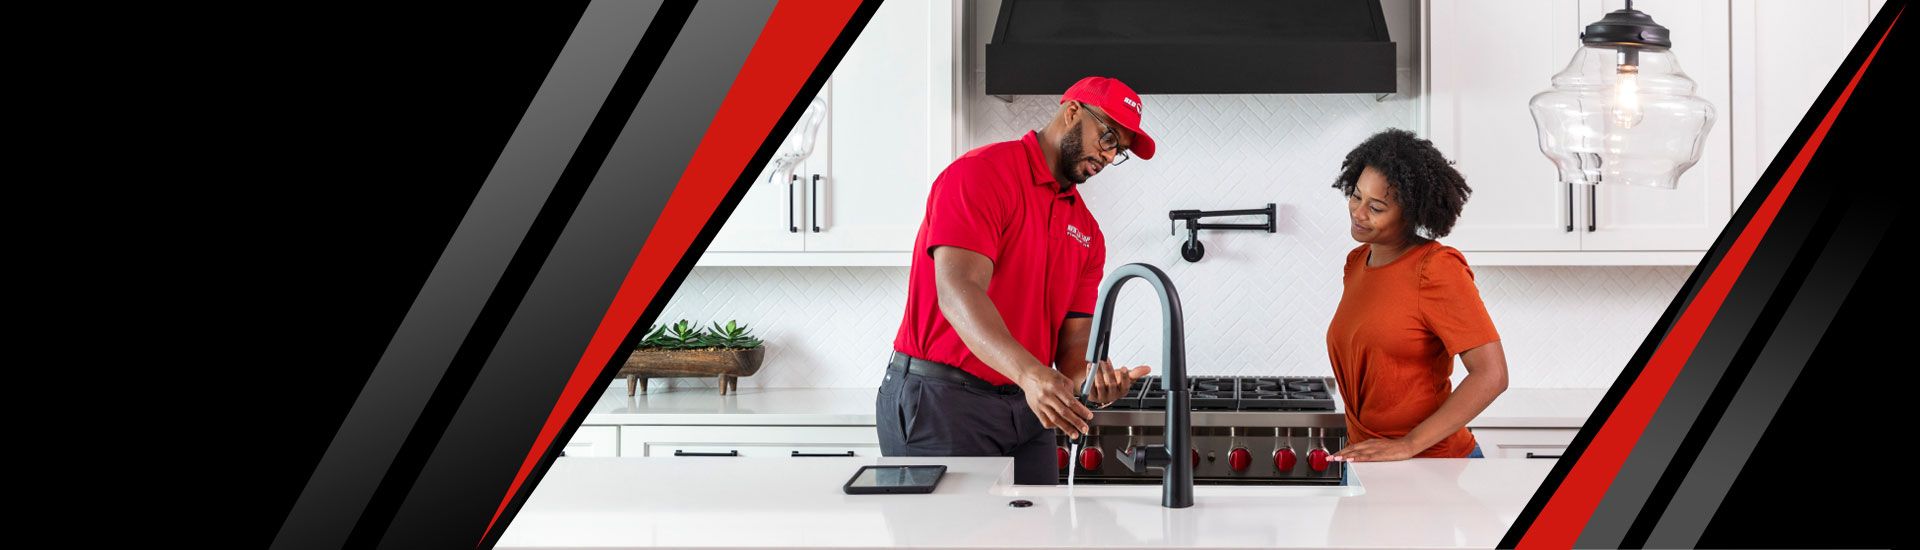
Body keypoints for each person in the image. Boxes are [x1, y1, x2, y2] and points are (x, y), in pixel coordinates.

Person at [878, 76, 1157, 484]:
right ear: (1073, 112)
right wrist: (1030, 374)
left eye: (1121, 152)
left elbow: (1073, 348)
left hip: (1027, 408)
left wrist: (1092, 380)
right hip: (941, 402)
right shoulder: (980, 175)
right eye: (1109, 138)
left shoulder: (1088, 233)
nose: (1110, 157)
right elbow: (958, 292)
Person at [1324, 128, 1509, 462]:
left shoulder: (1436, 268)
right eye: (1356, 195)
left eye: (1376, 207)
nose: (1358, 212)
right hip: (1373, 462)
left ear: (1411, 213)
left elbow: (1492, 375)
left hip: (1435, 464)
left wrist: (1408, 444)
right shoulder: (1356, 263)